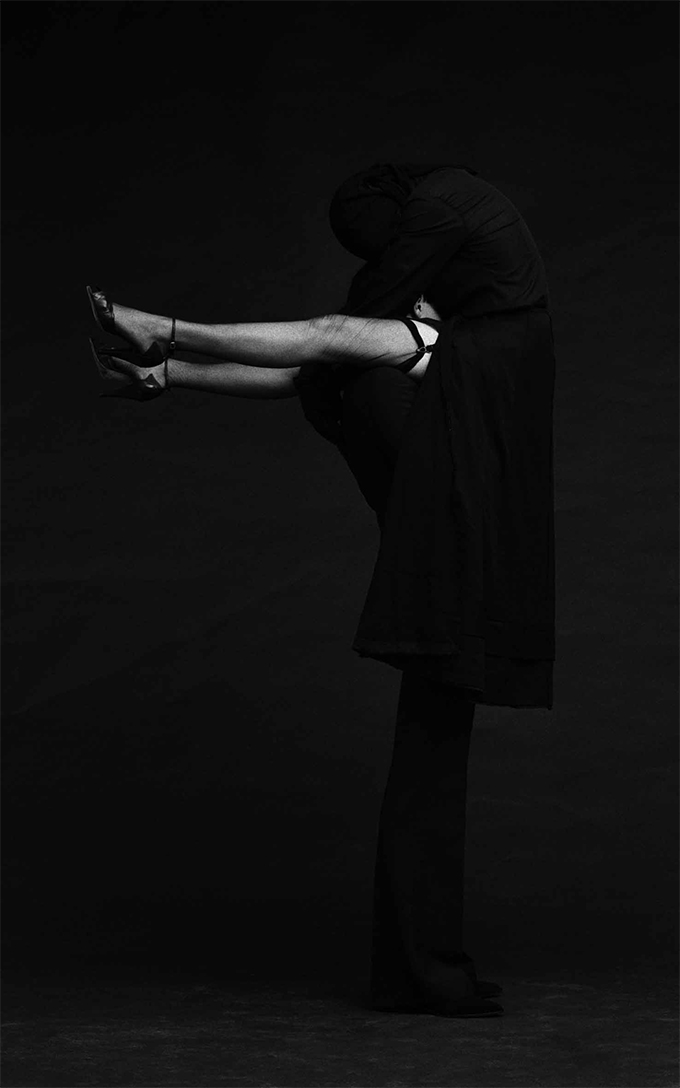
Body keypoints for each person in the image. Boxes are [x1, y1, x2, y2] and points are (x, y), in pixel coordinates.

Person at [86, 160, 556, 1019]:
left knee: (429, 767)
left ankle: (421, 969)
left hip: (452, 552)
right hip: (448, 554)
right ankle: (421, 970)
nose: (416, 293)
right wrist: (173, 367)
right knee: (430, 766)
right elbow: (309, 361)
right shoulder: (432, 348)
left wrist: (169, 340)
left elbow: (328, 335)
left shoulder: (434, 341)